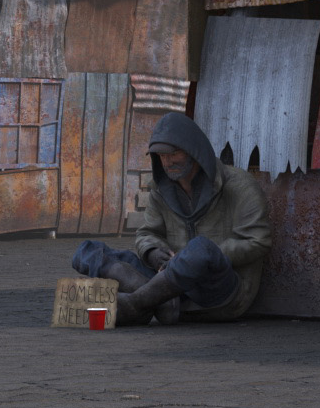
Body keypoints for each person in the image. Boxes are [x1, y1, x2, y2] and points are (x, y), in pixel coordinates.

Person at [70, 112, 272, 325]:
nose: (167, 162)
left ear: (194, 152)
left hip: (221, 292)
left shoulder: (239, 185)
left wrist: (190, 259)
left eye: (174, 154)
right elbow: (147, 233)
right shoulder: (161, 188)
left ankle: (137, 304)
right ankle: (161, 301)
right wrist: (154, 253)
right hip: (171, 287)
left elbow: (258, 240)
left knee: (201, 248)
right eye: (161, 156)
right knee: (87, 251)